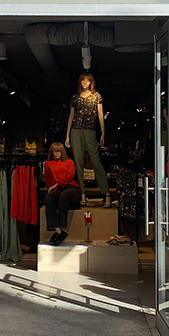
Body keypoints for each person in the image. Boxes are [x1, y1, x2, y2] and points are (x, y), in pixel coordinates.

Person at [65, 72, 110, 208]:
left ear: (91, 82)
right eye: (83, 80)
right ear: (80, 82)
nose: (85, 82)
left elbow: (100, 114)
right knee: (78, 164)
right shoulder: (75, 98)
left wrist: (103, 133)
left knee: (96, 162)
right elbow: (71, 116)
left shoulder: (96, 96)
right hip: (76, 130)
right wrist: (67, 135)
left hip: (90, 130)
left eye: (87, 80)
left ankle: (106, 193)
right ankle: (82, 193)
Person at [43, 142, 81, 246]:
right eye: (55, 151)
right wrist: (50, 189)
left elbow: (70, 177)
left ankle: (63, 224)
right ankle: (59, 231)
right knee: (49, 198)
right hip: (59, 189)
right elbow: (48, 179)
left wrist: (56, 185)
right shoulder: (48, 164)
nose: (57, 153)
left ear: (62, 152)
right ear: (51, 152)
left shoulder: (69, 162)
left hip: (71, 187)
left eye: (59, 151)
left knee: (64, 195)